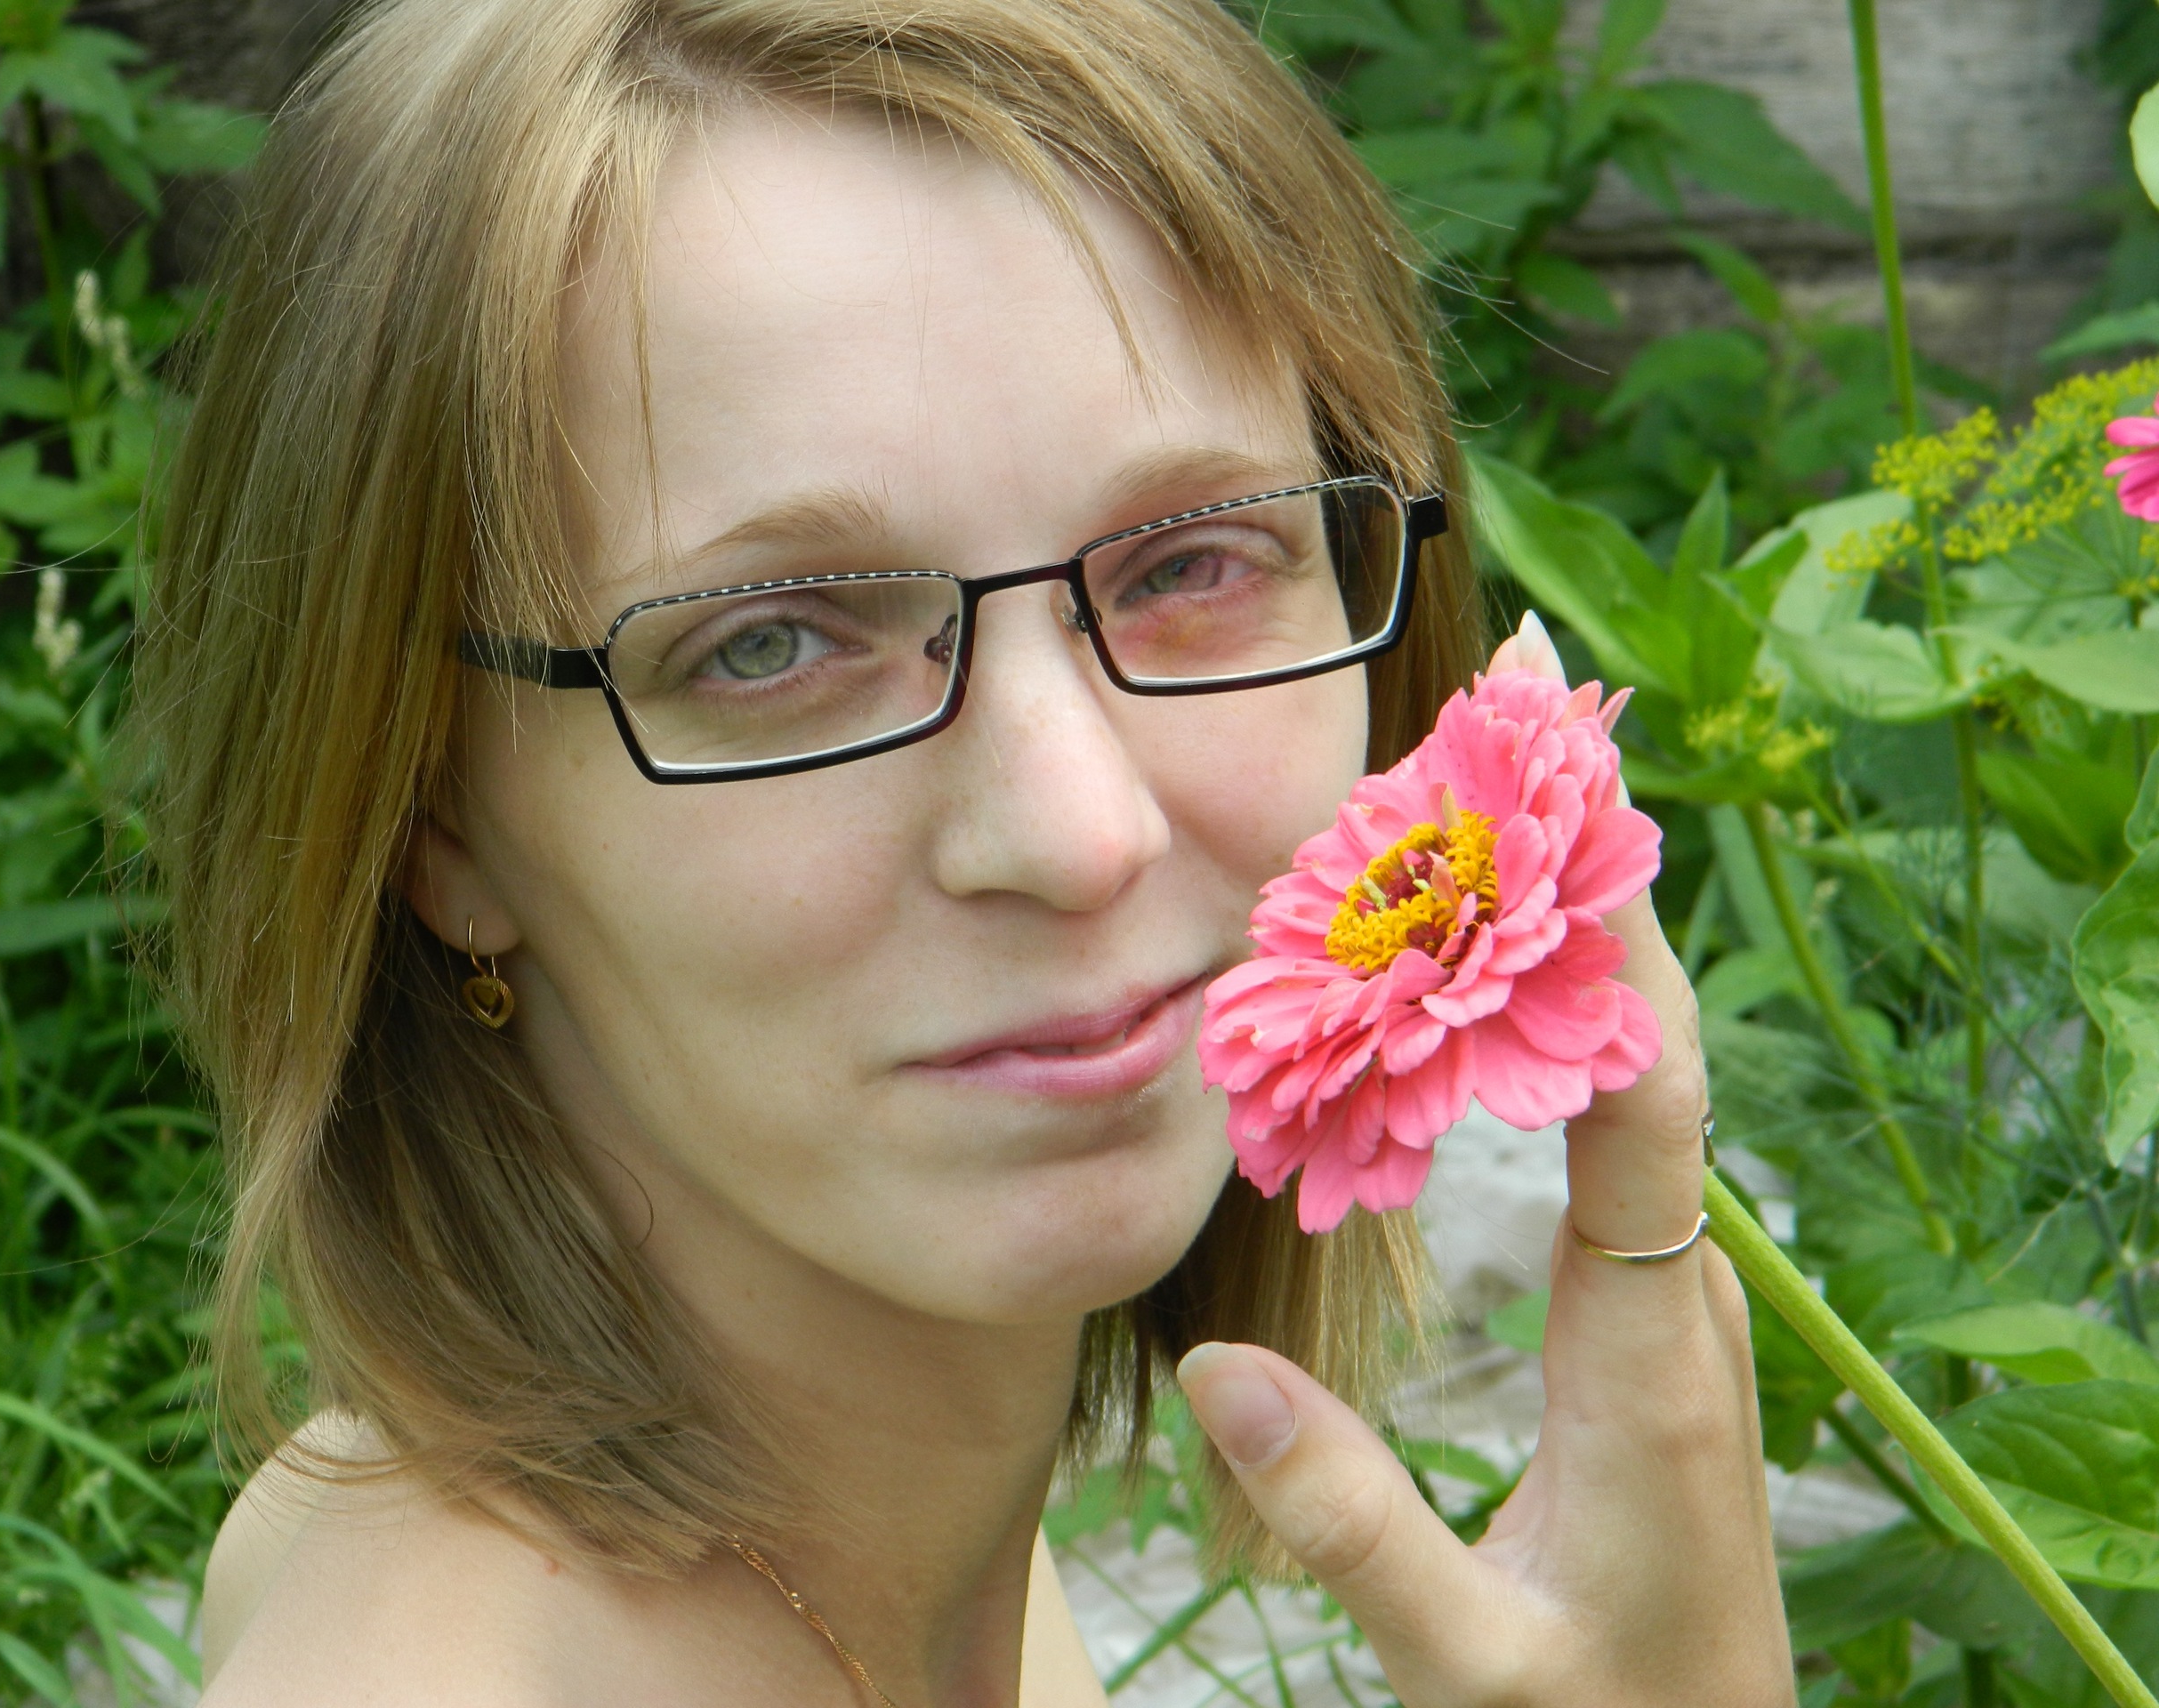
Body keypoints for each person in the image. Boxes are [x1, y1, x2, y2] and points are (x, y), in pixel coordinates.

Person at [147, 0, 1791, 1701]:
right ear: (425, 813)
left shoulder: (833, 1532)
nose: (1080, 836)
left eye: (1192, 564)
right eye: (771, 644)